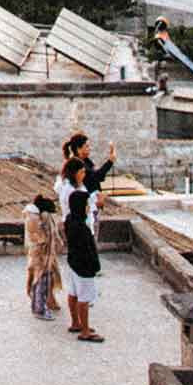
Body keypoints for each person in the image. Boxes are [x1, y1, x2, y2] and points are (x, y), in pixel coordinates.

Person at [62, 139, 117, 342]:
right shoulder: (82, 227)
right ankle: (85, 330)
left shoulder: (70, 221)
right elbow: (88, 250)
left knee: (73, 292)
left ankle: (76, 323)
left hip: (73, 262)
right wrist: (94, 268)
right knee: (84, 298)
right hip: (83, 266)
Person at [22, 189, 61, 319]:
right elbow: (41, 238)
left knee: (44, 278)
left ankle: (46, 303)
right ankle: (39, 309)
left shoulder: (34, 216)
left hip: (43, 254)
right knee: (40, 280)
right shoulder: (34, 219)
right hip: (40, 254)